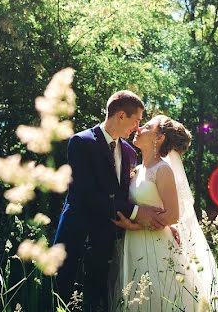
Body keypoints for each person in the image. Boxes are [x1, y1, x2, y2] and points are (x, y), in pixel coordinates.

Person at [53, 91, 167, 311]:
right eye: (136, 120)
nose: (137, 127)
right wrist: (136, 212)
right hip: (76, 235)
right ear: (121, 115)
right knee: (62, 298)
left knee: (96, 301)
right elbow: (86, 195)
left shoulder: (129, 152)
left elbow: (125, 193)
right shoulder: (81, 142)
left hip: (106, 240)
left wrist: (164, 224)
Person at [111, 115, 218, 311]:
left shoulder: (162, 170)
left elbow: (173, 215)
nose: (139, 128)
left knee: (160, 297)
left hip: (155, 243)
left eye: (147, 126)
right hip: (134, 243)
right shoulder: (138, 169)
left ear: (159, 138)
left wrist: (136, 225)